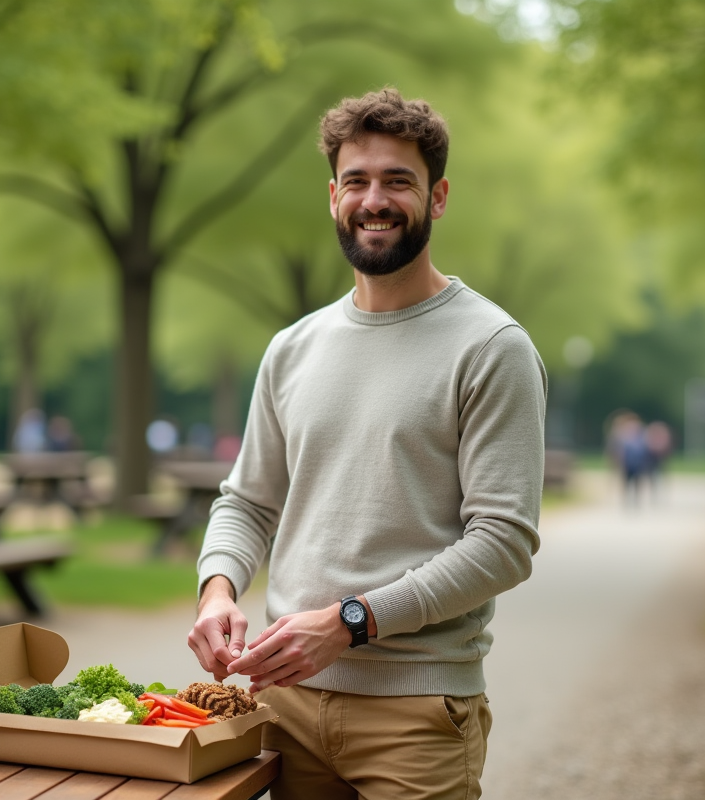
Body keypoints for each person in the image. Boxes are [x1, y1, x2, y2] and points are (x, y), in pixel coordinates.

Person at [187, 89, 547, 800]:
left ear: (437, 197)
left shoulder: (492, 346)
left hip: (417, 714)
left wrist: (352, 621)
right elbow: (248, 501)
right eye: (357, 181)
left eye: (397, 181)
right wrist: (217, 590)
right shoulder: (293, 348)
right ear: (333, 196)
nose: (373, 200)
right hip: (283, 705)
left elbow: (503, 541)